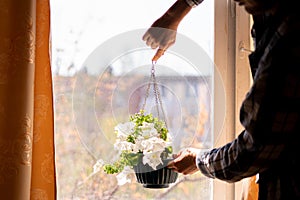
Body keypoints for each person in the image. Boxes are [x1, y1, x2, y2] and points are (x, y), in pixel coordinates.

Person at [143, 0, 300, 199]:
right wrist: (175, 14)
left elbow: (253, 151)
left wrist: (199, 160)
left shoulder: (289, 41)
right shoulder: (268, 14)